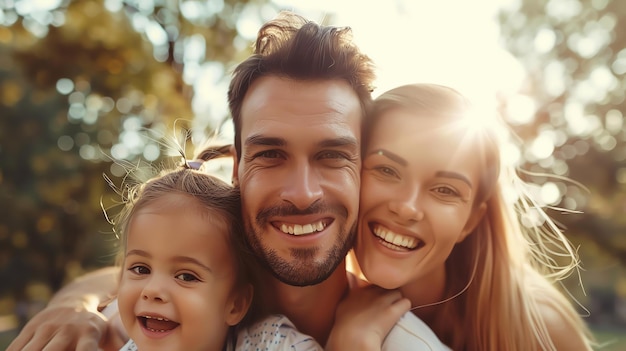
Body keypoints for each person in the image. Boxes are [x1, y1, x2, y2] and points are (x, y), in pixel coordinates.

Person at [7, 11, 413, 351]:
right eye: (270, 154)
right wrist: (78, 302)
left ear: (363, 172)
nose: (302, 193)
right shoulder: (134, 327)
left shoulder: (404, 339)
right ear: (236, 170)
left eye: (332, 156)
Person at [343, 83, 595, 350]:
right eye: (387, 170)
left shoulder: (540, 327)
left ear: (471, 221)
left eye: (444, 190)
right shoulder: (313, 313)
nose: (407, 207)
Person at [109, 147, 323, 351]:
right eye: (140, 269)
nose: (152, 291)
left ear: (235, 304)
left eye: (185, 276)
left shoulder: (274, 345)